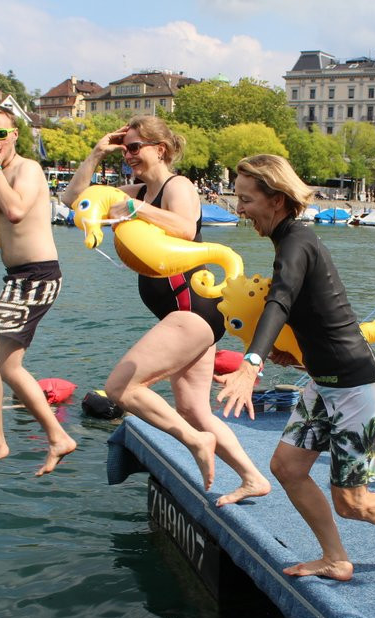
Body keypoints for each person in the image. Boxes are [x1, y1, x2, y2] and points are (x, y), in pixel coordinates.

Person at [217, 154, 375, 584]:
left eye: (246, 199)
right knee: (288, 468)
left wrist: (250, 364)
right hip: (324, 381)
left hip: (355, 387)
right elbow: (310, 314)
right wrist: (298, 356)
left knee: (354, 503)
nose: (240, 208)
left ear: (276, 199)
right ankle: (335, 558)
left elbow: (282, 298)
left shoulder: (297, 241)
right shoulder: (289, 240)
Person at [61, 116, 269, 506]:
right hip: (185, 314)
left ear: (161, 149)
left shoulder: (179, 186)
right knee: (193, 408)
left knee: (123, 387)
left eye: (135, 146)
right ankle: (252, 477)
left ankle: (195, 442)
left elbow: (186, 228)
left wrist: (134, 207)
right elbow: (73, 199)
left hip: (193, 308)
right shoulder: (135, 189)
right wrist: (95, 153)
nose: (129, 154)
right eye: (125, 148)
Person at [0, 105, 76, 476]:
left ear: (15, 135)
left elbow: (16, 212)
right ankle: (57, 437)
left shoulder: (26, 169)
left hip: (37, 276)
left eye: (1, 133)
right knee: (7, 365)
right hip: (18, 276)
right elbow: (4, 235)